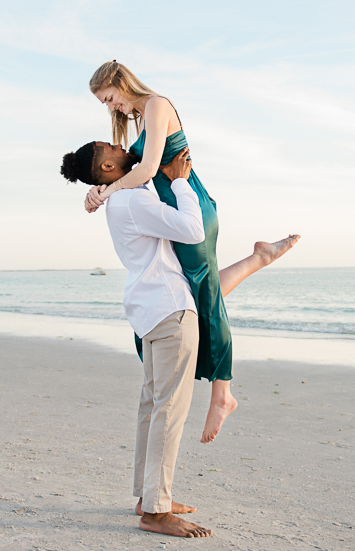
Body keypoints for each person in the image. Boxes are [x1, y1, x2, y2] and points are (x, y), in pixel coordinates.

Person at [82, 60, 298, 443]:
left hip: (190, 208)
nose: (110, 107)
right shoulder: (140, 119)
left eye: (109, 98)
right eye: (105, 103)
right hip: (174, 213)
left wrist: (108, 192)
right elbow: (119, 171)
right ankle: (259, 258)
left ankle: (223, 392)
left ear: (120, 82)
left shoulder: (157, 105)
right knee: (195, 289)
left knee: (204, 292)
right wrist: (96, 191)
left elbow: (147, 170)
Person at [62, 143, 210, 537]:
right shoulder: (131, 201)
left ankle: (149, 498)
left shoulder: (120, 198)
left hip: (150, 309)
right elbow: (193, 230)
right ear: (109, 166)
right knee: (168, 410)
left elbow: (134, 175)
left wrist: (99, 191)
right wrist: (180, 183)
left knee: (152, 406)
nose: (122, 144)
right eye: (112, 147)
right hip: (169, 308)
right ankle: (157, 511)